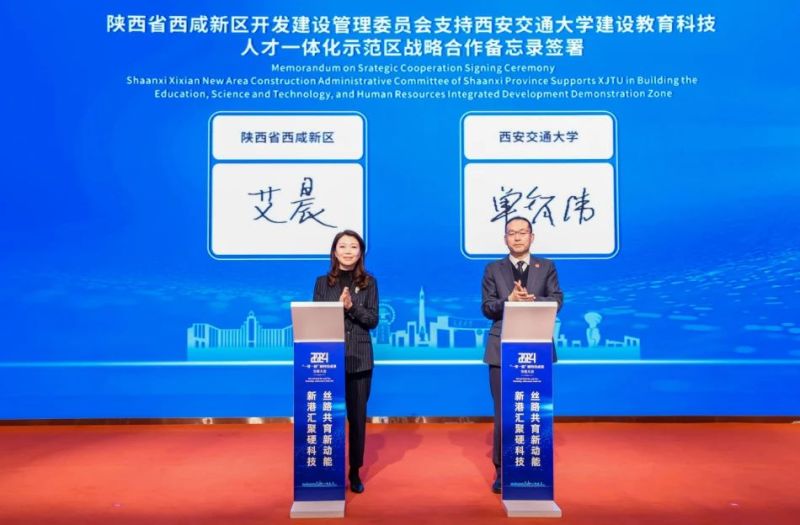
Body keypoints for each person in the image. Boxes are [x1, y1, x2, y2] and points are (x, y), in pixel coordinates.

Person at [480, 217, 563, 494]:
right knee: (504, 412)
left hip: (537, 347)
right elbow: (487, 307)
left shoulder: (546, 266)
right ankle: (502, 470)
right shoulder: (493, 269)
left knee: (533, 411)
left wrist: (531, 300)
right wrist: (509, 301)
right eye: (511, 233)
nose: (517, 237)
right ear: (505, 238)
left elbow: (557, 300)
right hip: (501, 349)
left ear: (532, 236)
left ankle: (534, 468)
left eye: (522, 232)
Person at [313, 230, 379, 494]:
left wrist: (352, 307)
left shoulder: (369, 283)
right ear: (334, 251)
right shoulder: (322, 283)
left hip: (360, 359)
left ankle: (355, 471)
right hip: (328, 360)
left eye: (354, 246)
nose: (348, 251)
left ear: (360, 252)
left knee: (357, 419)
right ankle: (329, 470)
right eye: (343, 246)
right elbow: (317, 318)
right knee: (329, 417)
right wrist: (337, 307)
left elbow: (372, 320)